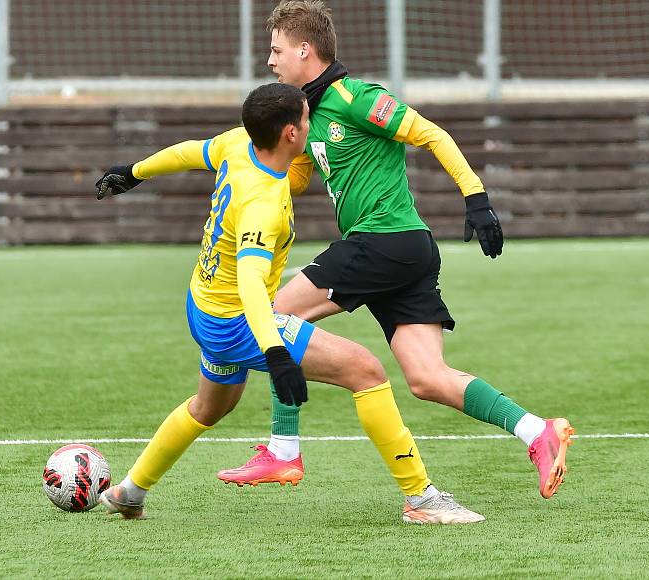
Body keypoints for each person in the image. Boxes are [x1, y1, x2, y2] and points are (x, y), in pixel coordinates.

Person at [216, 0, 574, 500]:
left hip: (383, 241)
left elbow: (431, 134)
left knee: (271, 315)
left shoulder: (356, 97)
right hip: (403, 252)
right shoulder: (306, 117)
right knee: (428, 378)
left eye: (276, 50)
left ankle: (283, 450)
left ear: (304, 49)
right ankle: (538, 431)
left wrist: (477, 199)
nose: (270, 61)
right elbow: (292, 179)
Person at [93, 82, 484, 524]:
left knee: (210, 407)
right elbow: (250, 284)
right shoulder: (262, 203)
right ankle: (421, 499)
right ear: (291, 135)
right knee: (366, 370)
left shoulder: (238, 143)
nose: (312, 120)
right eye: (306, 116)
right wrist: (277, 354)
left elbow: (189, 152)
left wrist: (134, 171)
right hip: (237, 320)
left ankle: (130, 490)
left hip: (203, 304)